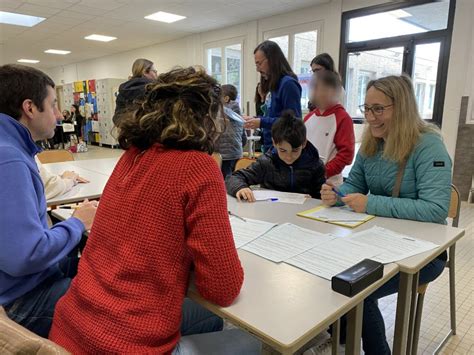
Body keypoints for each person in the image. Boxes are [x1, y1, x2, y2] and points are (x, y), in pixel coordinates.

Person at [49, 67, 261, 355]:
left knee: (206, 317)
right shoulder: (198, 168)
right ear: (207, 117)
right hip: (126, 345)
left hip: (69, 329)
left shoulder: (131, 156)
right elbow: (223, 288)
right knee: (250, 343)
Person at [318, 75, 451, 355]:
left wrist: (370, 203)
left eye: (379, 109)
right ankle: (341, 334)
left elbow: (437, 209)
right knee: (331, 270)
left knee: (358, 291)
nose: (371, 117)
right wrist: (337, 194)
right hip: (377, 242)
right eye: (367, 109)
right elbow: (355, 184)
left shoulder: (429, 145)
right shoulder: (371, 142)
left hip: (424, 253)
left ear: (401, 107)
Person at [0, 64, 97, 338]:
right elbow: (26, 257)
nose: (58, 115)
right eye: (53, 105)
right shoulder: (8, 158)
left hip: (18, 283)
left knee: (101, 266)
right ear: (30, 108)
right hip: (19, 300)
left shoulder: (11, 148)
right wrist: (77, 223)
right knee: (123, 297)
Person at [226, 110, 325, 202]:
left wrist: (327, 197)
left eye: (295, 151)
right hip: (271, 213)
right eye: (282, 150)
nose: (288, 157)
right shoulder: (266, 163)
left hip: (302, 215)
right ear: (274, 143)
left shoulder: (315, 165)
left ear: (303, 144)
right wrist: (240, 188)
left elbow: (320, 196)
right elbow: (233, 178)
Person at [244, 40, 302, 152]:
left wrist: (261, 122)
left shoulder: (288, 84)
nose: (257, 69)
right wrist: (255, 120)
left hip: (282, 150)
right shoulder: (274, 84)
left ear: (272, 60)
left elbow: (293, 122)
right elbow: (273, 116)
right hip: (270, 147)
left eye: (259, 63)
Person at [304, 70, 355, 185]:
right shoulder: (308, 118)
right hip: (307, 182)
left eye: (321, 88)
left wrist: (323, 172)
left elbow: (346, 154)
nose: (317, 92)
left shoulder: (343, 118)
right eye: (314, 88)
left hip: (330, 183)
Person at [112, 58, 158, 126]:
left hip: (130, 133)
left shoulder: (123, 91)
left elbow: (117, 118)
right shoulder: (153, 89)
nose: (157, 74)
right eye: (154, 71)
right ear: (145, 72)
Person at [216, 84, 247, 178]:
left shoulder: (220, 114)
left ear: (226, 98)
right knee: (234, 177)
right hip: (237, 153)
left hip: (224, 155)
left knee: (225, 179)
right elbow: (244, 138)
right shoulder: (239, 115)